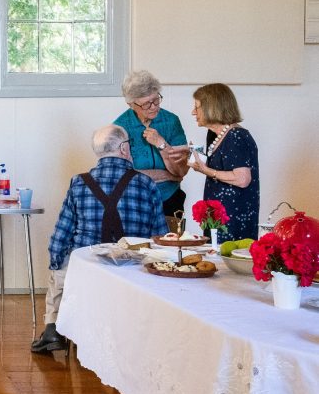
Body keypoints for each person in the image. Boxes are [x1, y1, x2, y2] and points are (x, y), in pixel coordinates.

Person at [32, 125, 167, 353]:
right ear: (124, 149)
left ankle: (53, 329)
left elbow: (62, 233)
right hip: (132, 268)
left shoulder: (79, 182)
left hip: (88, 265)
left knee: (60, 267)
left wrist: (56, 262)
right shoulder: (147, 184)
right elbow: (160, 236)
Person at [188, 83, 260, 241]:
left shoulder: (236, 136)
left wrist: (205, 170)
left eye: (197, 107)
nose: (193, 112)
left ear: (212, 108)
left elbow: (242, 179)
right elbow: (220, 163)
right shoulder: (215, 135)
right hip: (218, 216)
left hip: (232, 219)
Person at [113, 70, 190, 218]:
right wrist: (167, 175)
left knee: (171, 240)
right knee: (137, 242)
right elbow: (122, 174)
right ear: (131, 104)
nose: (154, 106)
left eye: (156, 100)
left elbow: (181, 171)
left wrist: (162, 144)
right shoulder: (120, 127)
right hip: (134, 200)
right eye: (146, 104)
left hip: (170, 199)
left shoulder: (171, 121)